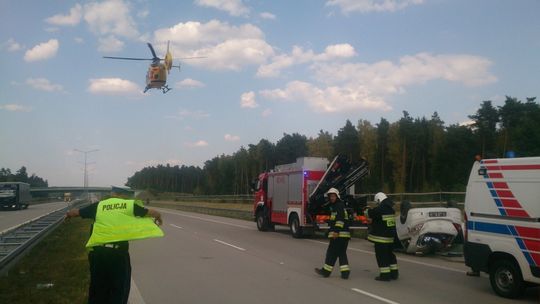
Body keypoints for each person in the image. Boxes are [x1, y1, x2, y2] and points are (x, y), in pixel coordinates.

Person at [65, 187, 164, 304]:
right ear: (122, 195)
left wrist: (68, 215)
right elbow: (151, 213)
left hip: (97, 254)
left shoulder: (99, 206)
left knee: (97, 288)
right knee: (119, 288)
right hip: (117, 254)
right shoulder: (127, 205)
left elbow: (76, 212)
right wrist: (158, 216)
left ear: (112, 194)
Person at [315, 188, 351, 279]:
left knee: (331, 253)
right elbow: (335, 220)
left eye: (333, 196)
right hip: (344, 235)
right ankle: (345, 272)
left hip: (339, 235)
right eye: (330, 196)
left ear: (337, 196)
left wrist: (336, 232)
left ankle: (326, 271)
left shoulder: (338, 206)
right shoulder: (337, 206)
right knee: (342, 253)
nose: (331, 198)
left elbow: (340, 220)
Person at [366, 192, 398, 281]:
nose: (377, 204)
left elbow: (370, 213)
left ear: (379, 200)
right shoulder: (390, 209)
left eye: (377, 202)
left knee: (381, 257)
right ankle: (394, 273)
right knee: (390, 255)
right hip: (390, 238)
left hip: (381, 239)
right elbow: (381, 221)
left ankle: (385, 275)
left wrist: (366, 210)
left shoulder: (380, 209)